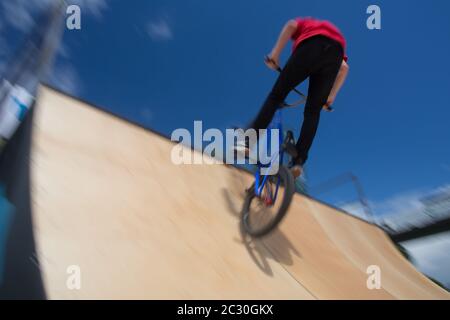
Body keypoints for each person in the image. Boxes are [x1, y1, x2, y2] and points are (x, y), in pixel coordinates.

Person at [235, 17, 349, 179]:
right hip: (335, 53)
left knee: (277, 96)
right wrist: (330, 97)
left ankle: (247, 143)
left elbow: (291, 25)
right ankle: (298, 161)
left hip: (310, 45)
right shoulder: (334, 36)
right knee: (313, 112)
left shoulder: (308, 24)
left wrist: (275, 54)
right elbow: (344, 68)